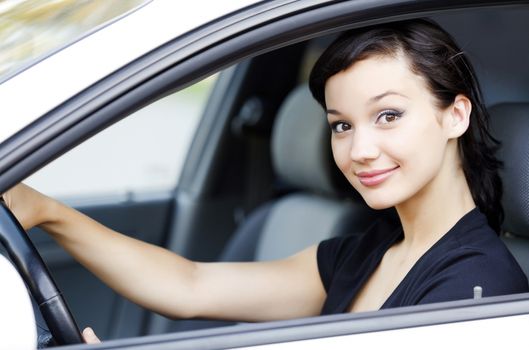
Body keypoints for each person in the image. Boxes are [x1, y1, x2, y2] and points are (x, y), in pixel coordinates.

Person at [3, 19, 528, 343]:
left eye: (388, 115)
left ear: (455, 116)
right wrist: (47, 210)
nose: (359, 149)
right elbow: (190, 287)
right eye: (341, 125)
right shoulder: (365, 253)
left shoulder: (477, 291)